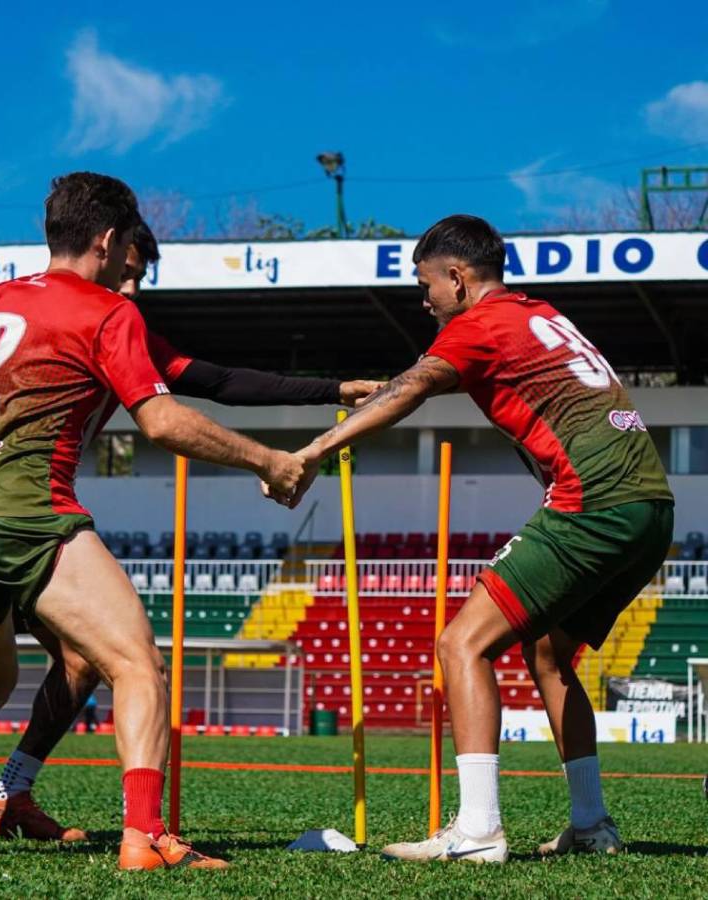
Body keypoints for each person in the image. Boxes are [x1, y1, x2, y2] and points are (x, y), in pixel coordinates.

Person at [0, 220, 379, 852]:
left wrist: (333, 389)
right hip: (22, 507)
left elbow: (218, 381)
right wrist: (269, 460)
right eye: (129, 268)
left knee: (51, 661)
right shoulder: (102, 314)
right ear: (106, 243)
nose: (132, 285)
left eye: (140, 277)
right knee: (121, 661)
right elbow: (164, 420)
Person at [278, 214, 673, 863]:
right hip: (652, 508)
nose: (423, 299)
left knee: (461, 643)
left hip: (595, 503)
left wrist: (315, 450)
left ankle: (478, 830)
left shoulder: (479, 325)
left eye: (425, 284)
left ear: (457, 279)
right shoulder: (538, 313)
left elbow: (411, 389)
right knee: (547, 654)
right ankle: (592, 823)